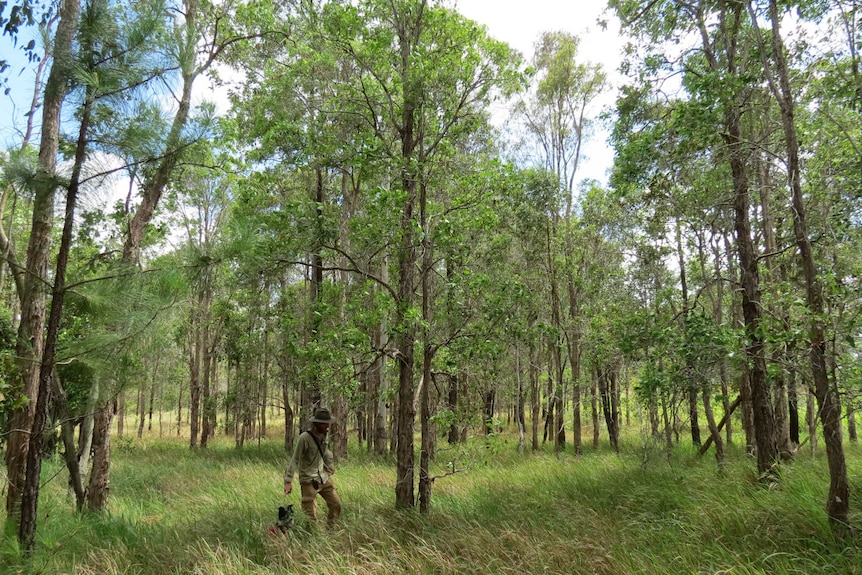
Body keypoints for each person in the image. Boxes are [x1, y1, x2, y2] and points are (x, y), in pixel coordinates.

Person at [284, 407, 342, 526]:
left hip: (324, 477)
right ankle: (310, 538)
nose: (327, 426)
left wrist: (330, 465)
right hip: (309, 480)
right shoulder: (304, 438)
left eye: (328, 423)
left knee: (336, 504)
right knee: (310, 515)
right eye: (324, 424)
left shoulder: (324, 436)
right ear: (316, 423)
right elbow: (295, 459)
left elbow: (325, 452)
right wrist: (288, 481)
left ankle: (330, 531)